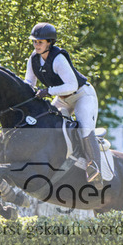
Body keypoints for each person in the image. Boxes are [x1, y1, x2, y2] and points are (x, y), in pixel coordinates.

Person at [24, 22, 102, 189]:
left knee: (84, 127)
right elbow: (29, 83)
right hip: (62, 99)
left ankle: (95, 168)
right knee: (46, 122)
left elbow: (72, 85)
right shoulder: (33, 59)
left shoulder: (58, 59)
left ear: (49, 43)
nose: (36, 45)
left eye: (40, 42)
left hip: (82, 96)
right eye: (35, 42)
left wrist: (48, 91)